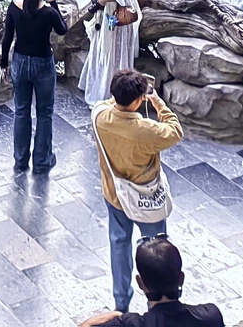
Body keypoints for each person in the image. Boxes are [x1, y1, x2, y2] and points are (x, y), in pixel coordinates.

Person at [93, 69, 183, 316]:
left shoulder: (99, 115)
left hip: (115, 194)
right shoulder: (146, 130)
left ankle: (121, 304)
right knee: (155, 251)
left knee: (119, 244)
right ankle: (157, 302)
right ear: (137, 101)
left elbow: (111, 103)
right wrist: (158, 103)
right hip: (146, 199)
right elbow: (175, 131)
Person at [0, 0, 69, 174]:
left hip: (20, 62)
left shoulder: (14, 7)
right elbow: (62, 29)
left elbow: (7, 38)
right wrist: (54, 3)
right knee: (44, 113)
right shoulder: (48, 12)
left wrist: (3, 64)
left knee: (21, 111)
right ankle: (42, 161)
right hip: (43, 65)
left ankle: (20, 161)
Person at [79, 236, 225, 325]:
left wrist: (115, 315)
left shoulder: (131, 324)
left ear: (140, 283)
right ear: (181, 278)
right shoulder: (210, 315)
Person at [73, 0, 142, 107]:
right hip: (107, 18)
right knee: (104, 53)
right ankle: (102, 91)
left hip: (117, 20)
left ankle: (113, 96)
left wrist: (104, 0)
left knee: (112, 56)